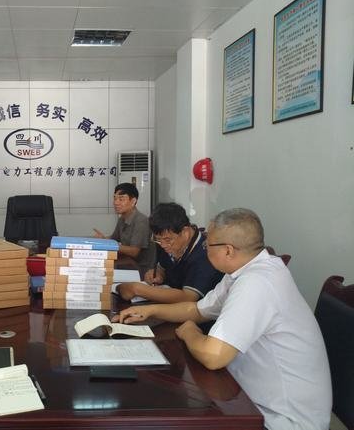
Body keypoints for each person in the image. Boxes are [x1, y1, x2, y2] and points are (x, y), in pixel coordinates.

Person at [115, 208, 331, 430]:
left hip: (282, 419)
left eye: (208, 244)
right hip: (247, 395)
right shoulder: (241, 272)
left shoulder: (258, 282)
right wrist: (150, 311)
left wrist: (190, 332)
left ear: (228, 250)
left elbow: (213, 355)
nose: (204, 247)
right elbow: (197, 310)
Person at [117, 202, 222, 303]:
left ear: (185, 232)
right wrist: (159, 274)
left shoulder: (205, 253)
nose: (163, 245)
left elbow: (189, 297)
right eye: (158, 240)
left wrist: (138, 289)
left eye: (167, 240)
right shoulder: (169, 242)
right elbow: (162, 267)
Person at [93, 183, 154, 276]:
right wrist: (103, 239)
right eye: (115, 198)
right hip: (126, 263)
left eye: (121, 199)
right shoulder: (122, 218)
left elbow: (134, 251)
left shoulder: (141, 221)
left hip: (140, 269)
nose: (116, 202)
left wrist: (109, 243)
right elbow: (114, 239)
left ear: (133, 201)